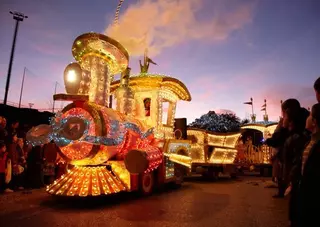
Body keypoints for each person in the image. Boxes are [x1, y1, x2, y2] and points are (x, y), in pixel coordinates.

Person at [265, 99, 300, 198]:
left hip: (285, 153)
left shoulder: (286, 124)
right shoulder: (301, 120)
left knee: (283, 173)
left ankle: (284, 192)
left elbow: (278, 138)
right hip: (286, 153)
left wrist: (269, 141)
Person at [281, 106, 310, 227]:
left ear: (292, 120)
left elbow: (296, 162)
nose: (283, 119)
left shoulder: (295, 139)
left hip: (296, 182)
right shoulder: (297, 137)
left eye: (285, 117)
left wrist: (291, 180)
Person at [299, 103, 320, 227]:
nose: (307, 117)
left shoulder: (316, 143)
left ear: (314, 121)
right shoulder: (310, 140)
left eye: (310, 114)